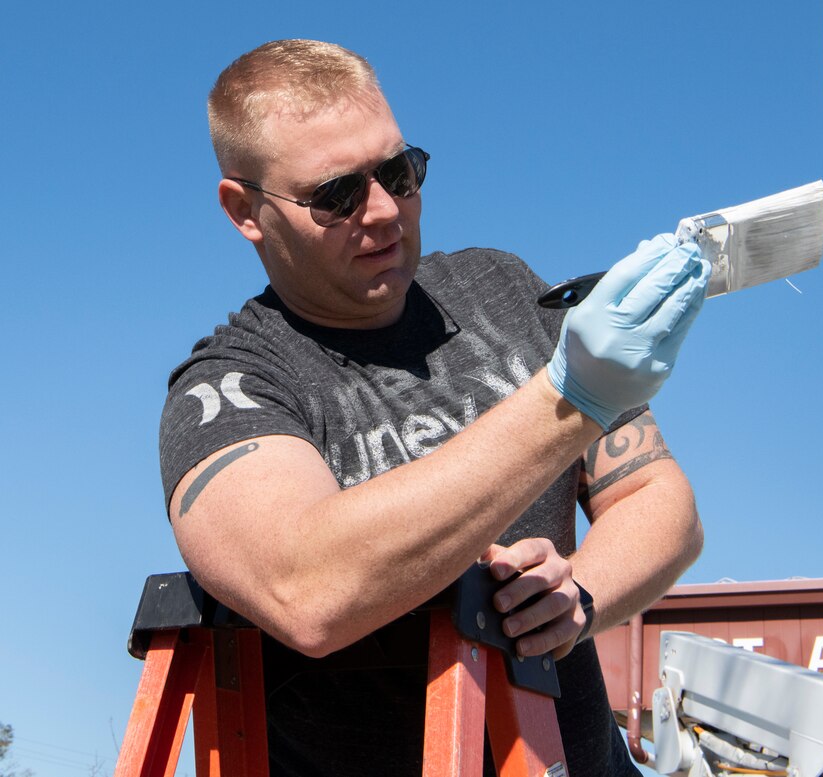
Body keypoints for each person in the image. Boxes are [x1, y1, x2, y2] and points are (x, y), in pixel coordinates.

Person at [159, 39, 709, 776]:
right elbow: (307, 588)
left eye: (399, 171)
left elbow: (657, 496)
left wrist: (576, 598)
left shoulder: (505, 291)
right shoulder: (229, 388)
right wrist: (568, 401)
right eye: (336, 195)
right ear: (246, 210)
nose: (385, 211)